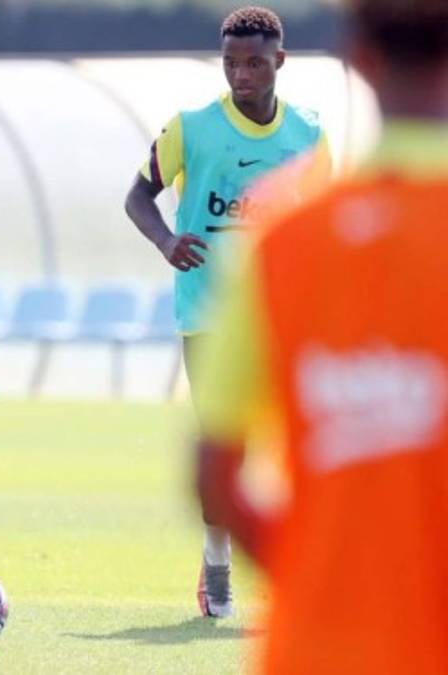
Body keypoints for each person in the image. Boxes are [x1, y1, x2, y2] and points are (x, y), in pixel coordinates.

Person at [195, 1, 448, 672]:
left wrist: (322, 581)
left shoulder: (283, 236)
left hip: (318, 647)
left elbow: (214, 473)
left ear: (358, 56)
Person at [123, 5, 331, 618]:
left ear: (279, 62)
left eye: (254, 64)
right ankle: (217, 564)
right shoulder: (190, 128)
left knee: (296, 445)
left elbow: (320, 223)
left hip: (283, 316)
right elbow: (137, 196)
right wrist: (166, 241)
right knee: (225, 444)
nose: (241, 75)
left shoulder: (309, 135)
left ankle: (300, 566)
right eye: (231, 64)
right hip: (208, 315)